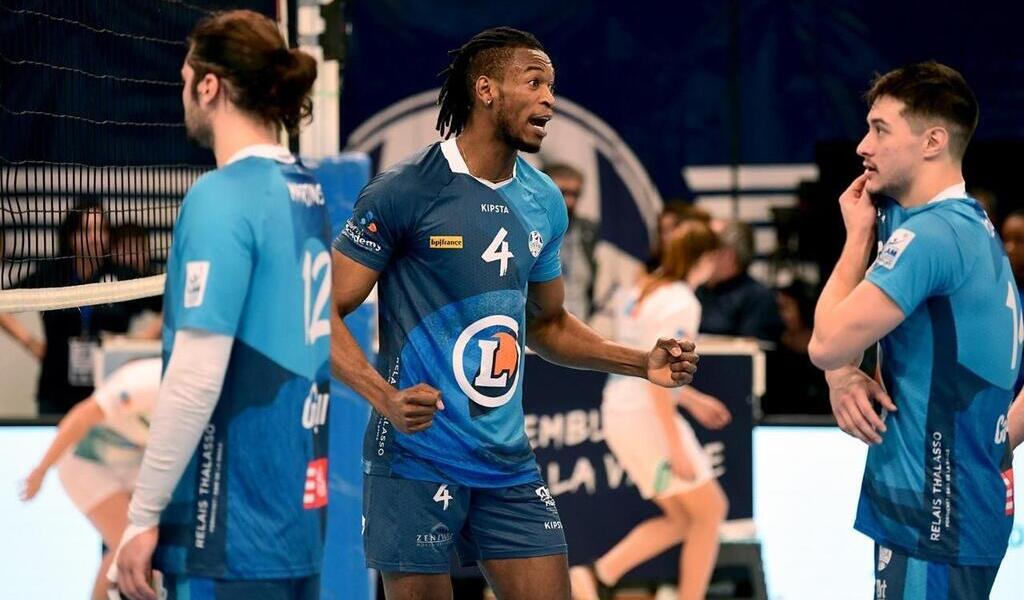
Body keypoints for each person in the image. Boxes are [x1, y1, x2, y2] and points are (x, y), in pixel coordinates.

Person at [330, 26, 698, 600]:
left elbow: (547, 326)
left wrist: (638, 362)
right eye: (535, 82)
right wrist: (385, 400)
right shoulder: (403, 191)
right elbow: (321, 312)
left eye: (552, 86)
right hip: (415, 456)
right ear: (486, 90)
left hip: (506, 462)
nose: (549, 99)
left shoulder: (544, 199)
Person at [111, 10, 326, 600]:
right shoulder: (307, 189)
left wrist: (142, 514)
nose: (182, 92)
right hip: (296, 525)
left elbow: (195, 377)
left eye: (186, 78)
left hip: (226, 532)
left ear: (210, 86)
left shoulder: (220, 197)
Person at [809, 61, 1018, 599]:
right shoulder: (958, 226)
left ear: (932, 141)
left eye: (880, 129)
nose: (863, 145)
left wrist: (855, 241)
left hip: (935, 521)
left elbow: (827, 343)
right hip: (942, 509)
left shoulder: (933, 236)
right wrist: (843, 377)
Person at [578, 221, 730, 600]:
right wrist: (675, 445)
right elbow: (660, 379)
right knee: (711, 512)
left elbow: (644, 364)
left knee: (685, 519)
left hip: (621, 408)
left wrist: (693, 402)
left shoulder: (643, 289)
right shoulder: (681, 302)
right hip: (645, 415)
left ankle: (597, 575)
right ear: (706, 258)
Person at [0, 198, 157, 415]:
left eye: (100, 229)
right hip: (56, 394)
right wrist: (29, 342)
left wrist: (142, 340)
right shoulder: (52, 273)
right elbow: (4, 302)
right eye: (86, 230)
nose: (94, 238)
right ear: (71, 236)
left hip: (110, 393)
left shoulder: (123, 275)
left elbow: (169, 304)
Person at [20, 358, 160, 600]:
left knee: (141, 547)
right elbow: (80, 417)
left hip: (130, 462)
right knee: (127, 545)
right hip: (83, 463)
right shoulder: (144, 382)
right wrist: (41, 471)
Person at [695, 219, 783, 343]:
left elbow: (748, 356)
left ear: (728, 256)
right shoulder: (694, 290)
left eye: (706, 248)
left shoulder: (758, 298)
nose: (696, 255)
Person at [544, 163, 599, 321]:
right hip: (537, 330)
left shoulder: (589, 232)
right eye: (563, 193)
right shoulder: (528, 228)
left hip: (580, 325)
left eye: (575, 194)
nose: (569, 202)